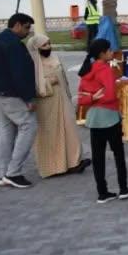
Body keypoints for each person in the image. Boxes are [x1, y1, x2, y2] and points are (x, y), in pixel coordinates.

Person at [77, 40, 128, 203]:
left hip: (94, 118)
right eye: (109, 50)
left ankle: (102, 192)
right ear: (102, 53)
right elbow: (110, 95)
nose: (112, 52)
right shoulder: (105, 70)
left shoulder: (88, 69)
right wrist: (100, 96)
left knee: (98, 157)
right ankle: (123, 188)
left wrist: (92, 97)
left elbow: (81, 98)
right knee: (118, 154)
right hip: (109, 116)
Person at [26, 33, 87, 178]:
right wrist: (49, 82)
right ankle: (53, 168)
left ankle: (73, 162)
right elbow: (33, 87)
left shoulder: (54, 58)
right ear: (37, 48)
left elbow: (63, 78)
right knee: (51, 135)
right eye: (44, 45)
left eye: (49, 44)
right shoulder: (32, 64)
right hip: (47, 106)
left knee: (69, 130)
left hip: (62, 100)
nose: (48, 47)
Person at [0, 12, 37, 188]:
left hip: (0, 92)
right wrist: (28, 98)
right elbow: (19, 74)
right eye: (26, 27)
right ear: (17, 25)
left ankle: (4, 174)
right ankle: (13, 173)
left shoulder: (0, 39)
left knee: (8, 129)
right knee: (29, 124)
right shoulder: (13, 45)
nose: (28, 32)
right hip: (11, 94)